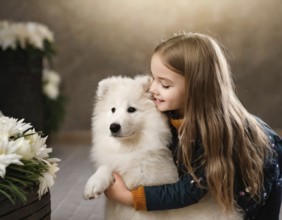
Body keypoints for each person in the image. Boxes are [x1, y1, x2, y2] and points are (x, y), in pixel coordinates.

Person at [105, 32, 282, 219]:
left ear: (195, 89)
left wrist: (129, 197)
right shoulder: (168, 110)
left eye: (164, 84)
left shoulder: (214, 132)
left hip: (258, 178)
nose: (153, 89)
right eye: (154, 78)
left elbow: (188, 190)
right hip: (220, 179)